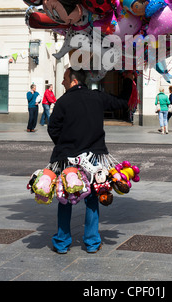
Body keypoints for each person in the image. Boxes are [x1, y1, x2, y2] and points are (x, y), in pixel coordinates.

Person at [48, 67, 128, 254]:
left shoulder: (63, 101)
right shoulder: (97, 97)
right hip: (94, 157)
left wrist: (65, 145)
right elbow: (121, 103)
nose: (62, 82)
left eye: (65, 78)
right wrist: (128, 80)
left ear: (74, 81)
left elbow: (53, 128)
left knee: (65, 197)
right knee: (92, 197)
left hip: (67, 158)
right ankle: (92, 242)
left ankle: (62, 242)